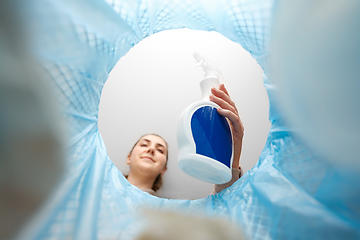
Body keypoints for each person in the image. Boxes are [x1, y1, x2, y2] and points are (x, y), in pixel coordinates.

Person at [125, 84, 244, 196]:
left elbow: (221, 212)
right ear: (129, 158)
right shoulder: (106, 183)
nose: (151, 149)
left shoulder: (165, 214)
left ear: (164, 169)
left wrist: (231, 156)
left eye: (160, 150)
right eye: (144, 145)